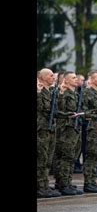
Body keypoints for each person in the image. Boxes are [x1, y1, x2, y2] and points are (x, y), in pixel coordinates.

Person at [37, 68, 62, 198]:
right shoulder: (40, 92)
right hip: (41, 129)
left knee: (48, 159)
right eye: (51, 75)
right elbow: (42, 108)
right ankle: (41, 186)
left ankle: (45, 185)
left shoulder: (51, 92)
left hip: (51, 128)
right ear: (43, 78)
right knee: (41, 158)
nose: (54, 77)